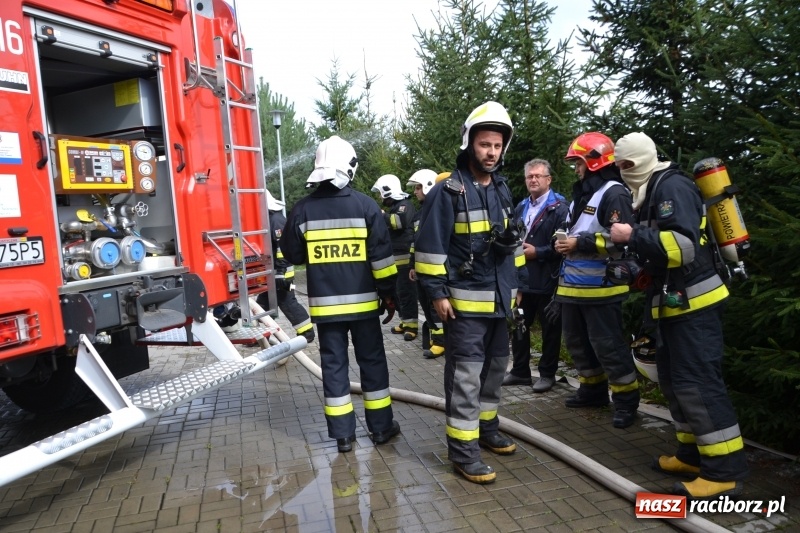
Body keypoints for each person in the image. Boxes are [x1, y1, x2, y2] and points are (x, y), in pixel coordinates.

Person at [609, 131, 748, 499]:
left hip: (696, 306)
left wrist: (631, 236)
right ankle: (691, 456)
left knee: (698, 384)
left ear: (644, 159)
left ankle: (724, 472)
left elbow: (684, 248)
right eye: (619, 165)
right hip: (674, 304)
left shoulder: (671, 186)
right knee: (674, 381)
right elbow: (662, 249)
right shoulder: (648, 191)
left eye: (628, 164)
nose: (624, 171)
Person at [415, 101, 526, 484]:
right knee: (466, 377)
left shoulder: (502, 189)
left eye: (496, 145)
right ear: (469, 144)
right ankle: (463, 452)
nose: (491, 152)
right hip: (463, 307)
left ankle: (487, 429)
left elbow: (513, 244)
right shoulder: (447, 192)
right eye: (484, 145)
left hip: (500, 302)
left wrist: (517, 287)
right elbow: (430, 249)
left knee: (495, 370)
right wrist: (437, 294)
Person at [279, 135, 401, 453]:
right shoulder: (366, 206)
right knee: (372, 363)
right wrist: (389, 296)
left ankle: (343, 436)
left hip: (326, 311)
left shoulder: (302, 210)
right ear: (349, 165)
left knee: (333, 368)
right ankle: (381, 428)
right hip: (364, 307)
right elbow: (382, 261)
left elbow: (292, 254)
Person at [552, 132, 640, 429]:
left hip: (602, 289)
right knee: (577, 343)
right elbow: (574, 228)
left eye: (578, 162)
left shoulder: (614, 193)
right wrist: (562, 242)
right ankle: (593, 390)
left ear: (594, 162)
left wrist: (579, 243)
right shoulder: (585, 193)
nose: (575, 169)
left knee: (609, 347)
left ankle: (626, 401)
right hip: (573, 288)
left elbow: (622, 240)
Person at [503, 159, 569, 392]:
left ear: (548, 180)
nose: (533, 180)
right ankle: (520, 371)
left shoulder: (560, 208)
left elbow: (563, 245)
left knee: (550, 330)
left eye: (537, 176)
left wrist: (537, 252)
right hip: (522, 279)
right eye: (529, 176)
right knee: (518, 324)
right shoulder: (521, 206)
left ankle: (547, 375)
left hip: (547, 278)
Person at [256, 191, 314, 343]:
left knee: (287, 301)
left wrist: (280, 273)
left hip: (281, 273)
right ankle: (261, 335)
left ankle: (307, 332)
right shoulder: (272, 219)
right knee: (262, 304)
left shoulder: (275, 220)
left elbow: (282, 248)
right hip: (274, 272)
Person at [371, 174, 419, 341]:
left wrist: (381, 215)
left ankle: (412, 327)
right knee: (398, 293)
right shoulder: (395, 207)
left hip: (405, 258)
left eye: (381, 193)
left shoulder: (405, 205)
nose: (380, 197)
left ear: (388, 191)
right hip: (395, 258)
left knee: (407, 293)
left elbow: (399, 222)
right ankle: (405, 321)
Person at [406, 169, 446, 359]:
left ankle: (440, 342)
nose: (415, 192)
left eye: (418, 187)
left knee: (434, 305)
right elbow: (416, 242)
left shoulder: (437, 211)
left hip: (435, 268)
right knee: (425, 303)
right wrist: (412, 264)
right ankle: (435, 337)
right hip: (421, 267)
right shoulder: (419, 214)